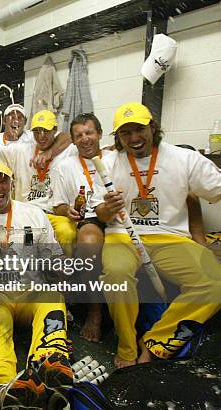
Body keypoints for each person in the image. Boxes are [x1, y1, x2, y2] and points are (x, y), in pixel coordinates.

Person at [92, 102, 221, 368]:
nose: (134, 138)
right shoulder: (107, 162)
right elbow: (101, 215)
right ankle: (126, 348)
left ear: (153, 126)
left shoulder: (183, 158)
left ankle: (154, 341)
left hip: (169, 236)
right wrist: (108, 208)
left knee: (215, 282)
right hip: (122, 235)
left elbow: (216, 189)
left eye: (139, 129)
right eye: (125, 133)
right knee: (116, 275)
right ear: (118, 137)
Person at [0, 162, 72, 409]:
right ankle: (4, 386)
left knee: (52, 297)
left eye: (4, 181)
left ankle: (49, 365)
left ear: (12, 184)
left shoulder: (34, 214)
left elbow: (54, 259)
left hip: (31, 292)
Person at [51, 113, 106, 342]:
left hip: (120, 219)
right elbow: (58, 205)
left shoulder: (116, 158)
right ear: (73, 141)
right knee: (88, 244)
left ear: (99, 134)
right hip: (90, 218)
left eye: (89, 133)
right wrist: (68, 211)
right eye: (79, 135)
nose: (85, 139)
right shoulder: (64, 166)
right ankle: (95, 312)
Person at [0, 110, 77, 253]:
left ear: (55, 130)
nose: (41, 136)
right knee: (25, 245)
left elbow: (69, 136)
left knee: (67, 232)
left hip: (52, 212)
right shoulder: (21, 149)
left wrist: (49, 153)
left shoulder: (66, 151)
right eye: (36, 131)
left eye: (46, 131)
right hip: (27, 212)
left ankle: (64, 272)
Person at [0, 103, 71, 170]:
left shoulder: (34, 135)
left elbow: (66, 137)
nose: (16, 121)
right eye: (12, 117)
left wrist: (49, 153)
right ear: (4, 120)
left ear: (25, 122)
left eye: (20, 118)